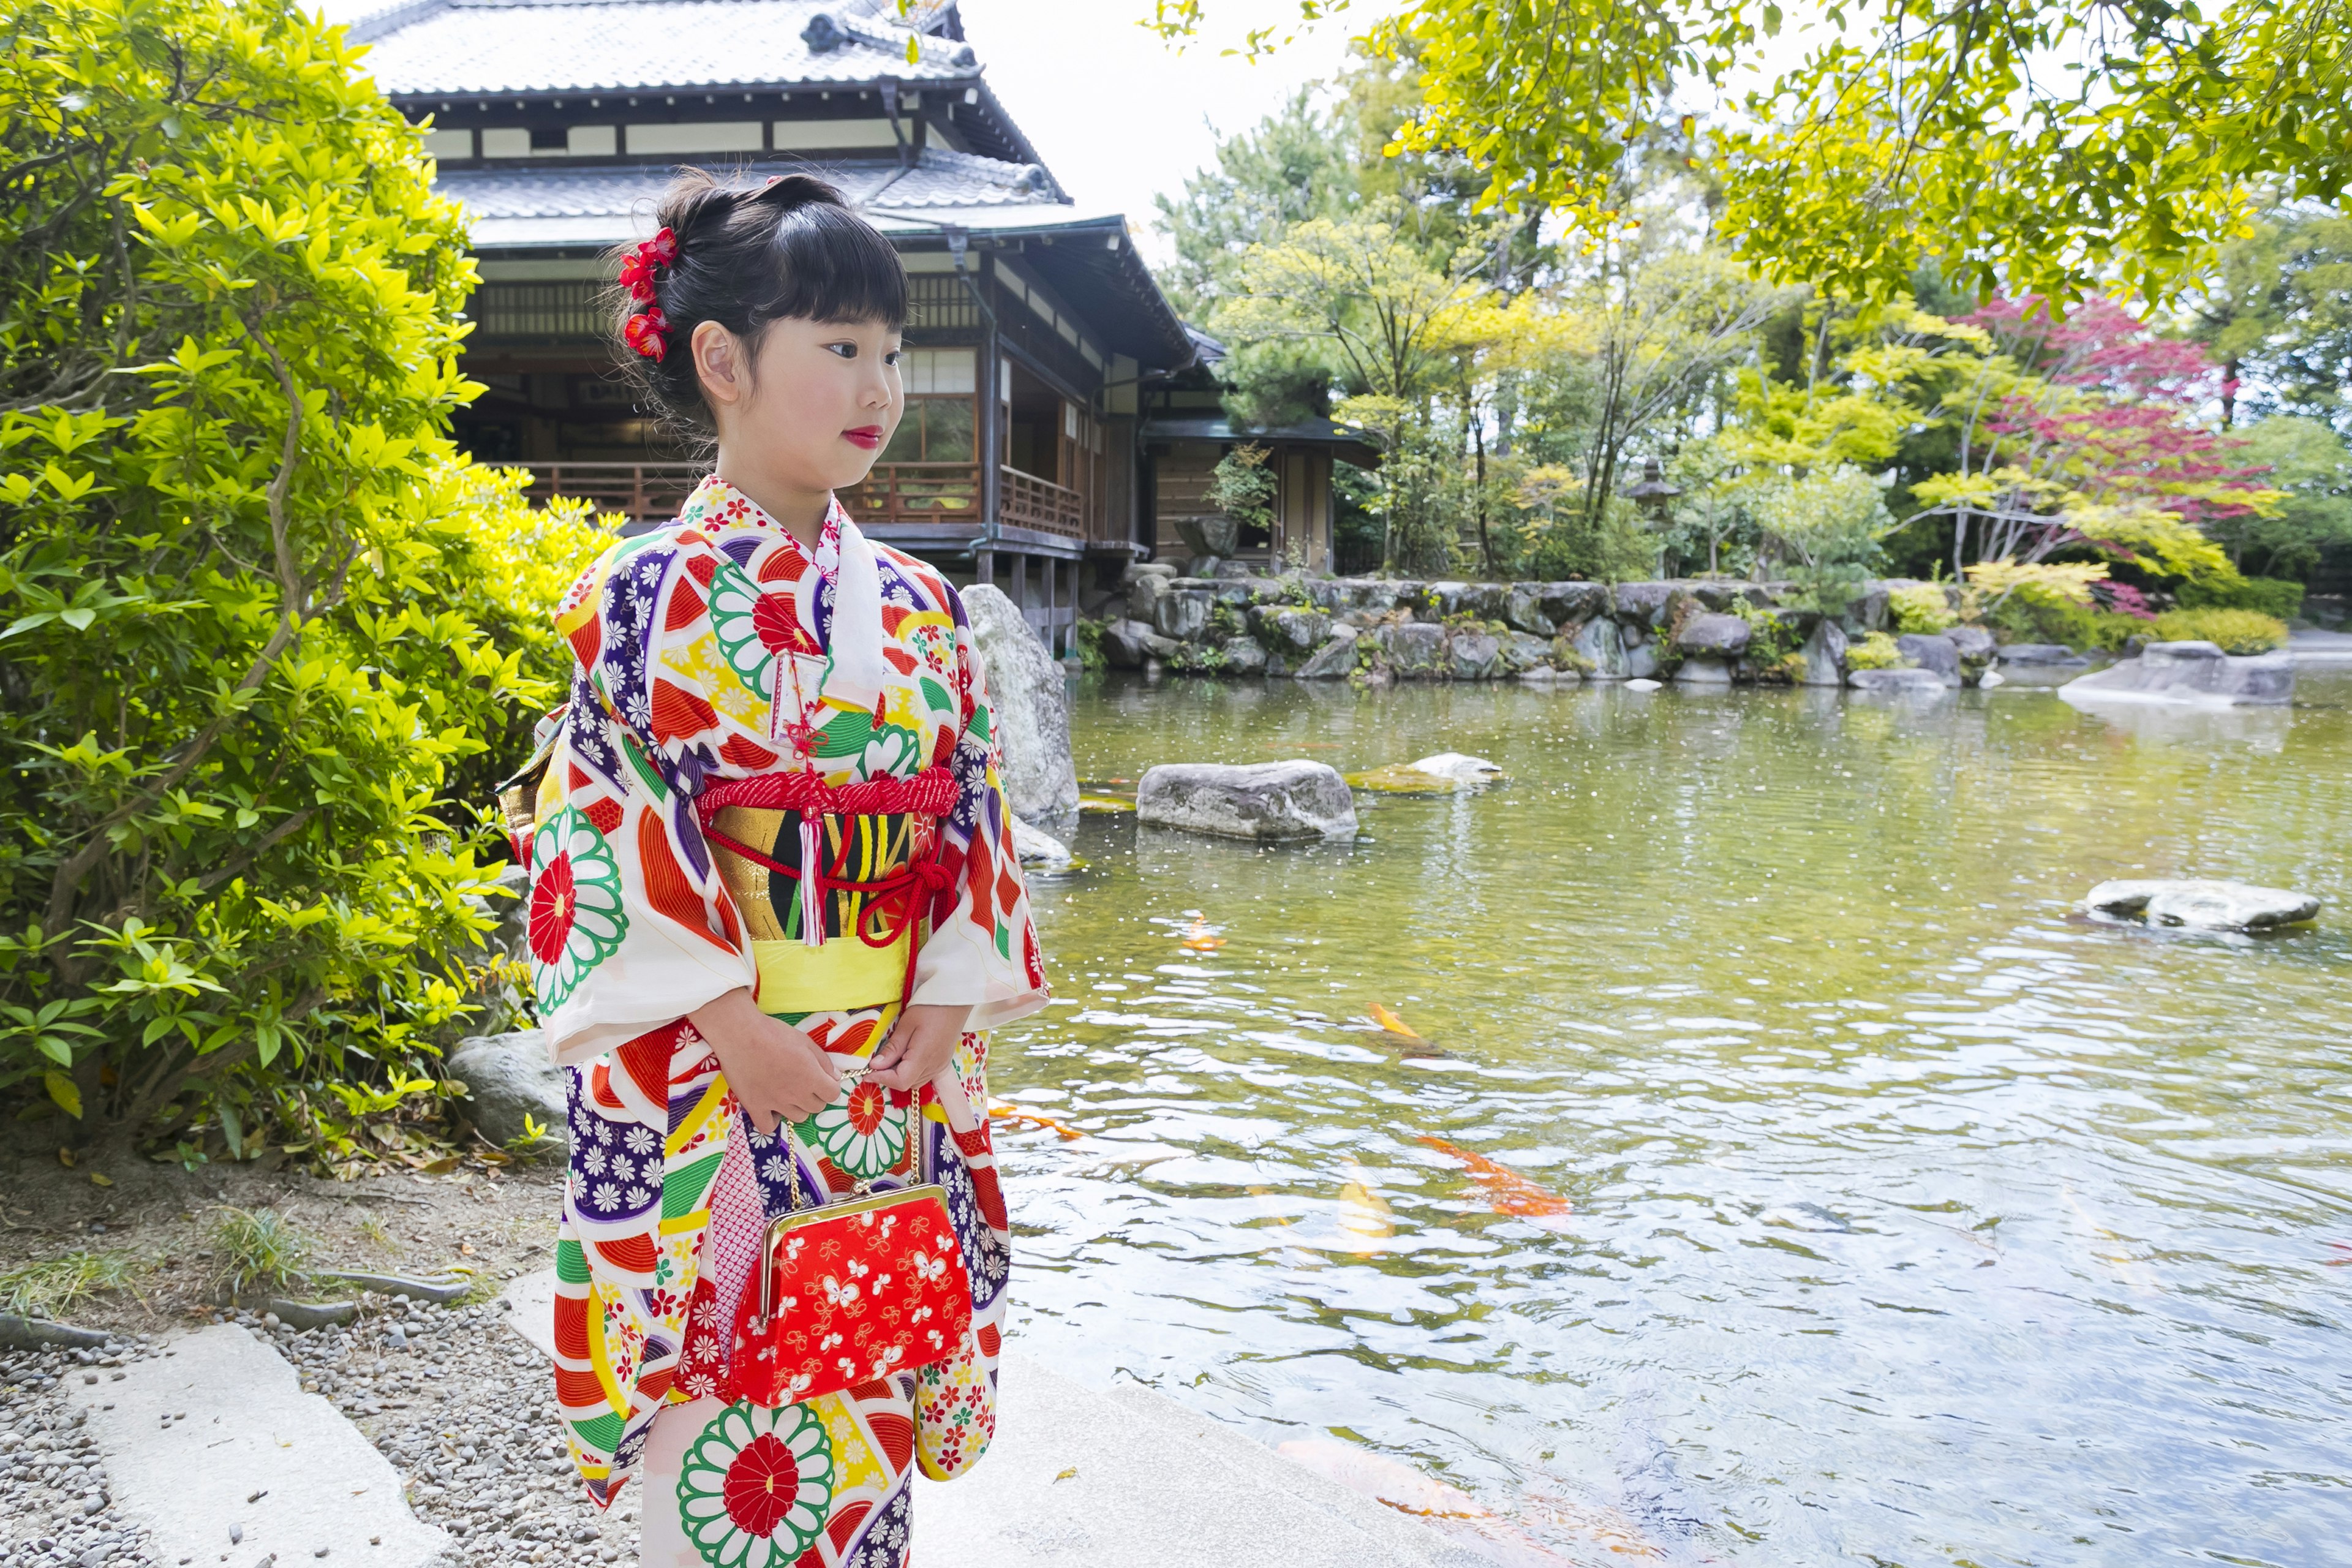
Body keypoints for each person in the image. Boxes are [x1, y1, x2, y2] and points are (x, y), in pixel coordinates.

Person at [516, 170, 1048, 1567]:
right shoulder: (640, 595)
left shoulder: (924, 605)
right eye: (842, 347)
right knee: (730, 1407)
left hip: (883, 1075)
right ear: (723, 361)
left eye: (892, 350)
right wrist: (728, 1019)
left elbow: (972, 810)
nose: (882, 385)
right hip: (717, 1072)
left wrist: (954, 984)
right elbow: (603, 819)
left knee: (867, 1364)